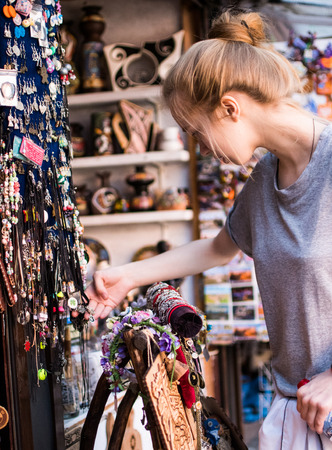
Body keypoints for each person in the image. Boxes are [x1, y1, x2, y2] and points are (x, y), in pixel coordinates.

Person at [82, 8, 332, 449]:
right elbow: (219, 248)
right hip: (295, 413)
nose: (200, 147)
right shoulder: (264, 180)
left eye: (196, 132)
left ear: (229, 108)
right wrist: (130, 275)